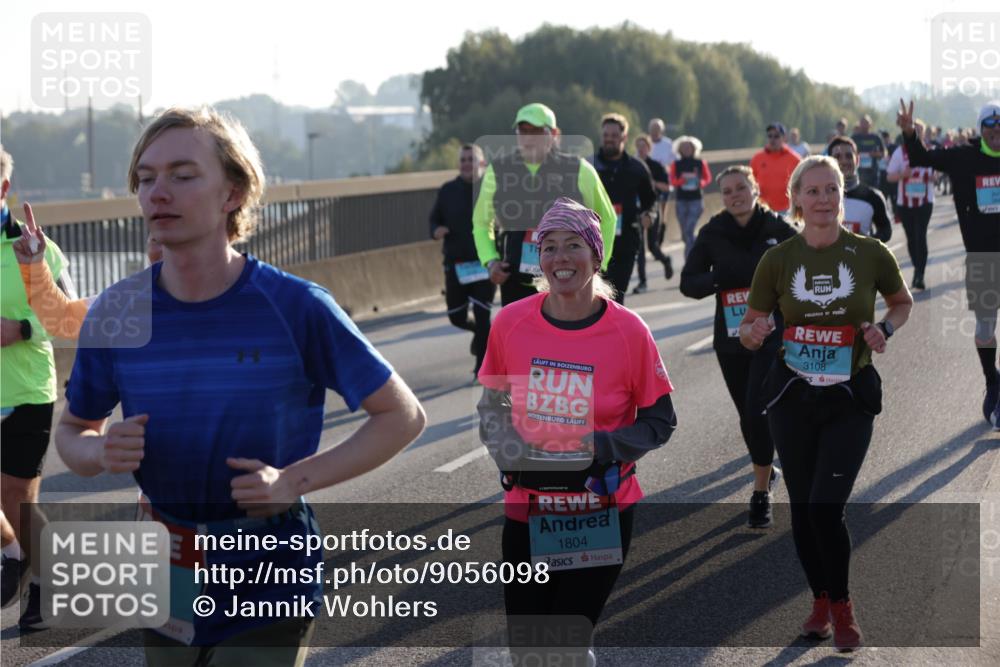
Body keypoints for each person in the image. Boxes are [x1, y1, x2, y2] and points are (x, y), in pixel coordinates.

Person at [53, 107, 426, 661]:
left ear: (233, 193)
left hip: (270, 571)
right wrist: (99, 450)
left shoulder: (295, 307)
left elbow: (402, 415)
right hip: (166, 566)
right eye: (146, 178)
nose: (158, 192)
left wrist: (293, 480)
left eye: (183, 175)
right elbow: (73, 433)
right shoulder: (117, 311)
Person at [477, 197, 676, 665]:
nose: (560, 258)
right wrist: (510, 453)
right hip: (529, 510)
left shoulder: (629, 331)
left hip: (599, 512)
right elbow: (492, 407)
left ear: (596, 254)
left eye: (573, 246)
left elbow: (659, 421)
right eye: (548, 247)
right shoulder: (510, 323)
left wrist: (598, 447)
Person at [740, 156, 912, 651]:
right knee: (802, 508)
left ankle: (842, 605)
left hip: (848, 398)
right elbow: (749, 331)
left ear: (842, 193)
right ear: (795, 198)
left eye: (831, 189)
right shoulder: (778, 260)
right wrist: (755, 332)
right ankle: (818, 602)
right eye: (812, 191)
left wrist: (885, 329)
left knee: (825, 508)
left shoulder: (870, 252)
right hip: (793, 398)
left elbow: (901, 302)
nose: (823, 199)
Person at [680, 166, 797, 527]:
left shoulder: (778, 229)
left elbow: (804, 272)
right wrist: (718, 278)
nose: (735, 195)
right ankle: (766, 466)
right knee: (748, 416)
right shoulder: (713, 233)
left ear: (755, 189)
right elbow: (689, 282)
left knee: (757, 409)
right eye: (728, 191)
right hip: (731, 340)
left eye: (741, 188)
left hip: (771, 336)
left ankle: (760, 492)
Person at [0, 146, 74, 625]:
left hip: (25, 391)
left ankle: (46, 585)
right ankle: (14, 554)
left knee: (16, 499)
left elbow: (66, 318)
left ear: (3, 187)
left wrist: (20, 329)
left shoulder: (35, 247)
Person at [897, 100, 1000, 427]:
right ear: (981, 130)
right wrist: (910, 132)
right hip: (983, 258)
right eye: (991, 129)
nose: (997, 135)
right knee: (986, 327)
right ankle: (991, 380)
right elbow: (923, 158)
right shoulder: (963, 157)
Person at [472, 103, 616, 306]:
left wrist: (598, 265)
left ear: (554, 134)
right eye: (523, 131)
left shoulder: (580, 169)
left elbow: (607, 219)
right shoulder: (497, 170)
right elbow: (481, 222)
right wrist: (490, 260)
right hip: (516, 278)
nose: (529, 137)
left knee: (568, 336)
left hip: (569, 277)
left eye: (537, 131)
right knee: (520, 338)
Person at [430, 143, 496, 374]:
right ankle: (480, 333)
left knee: (482, 312)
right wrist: (436, 230)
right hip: (456, 265)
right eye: (463, 160)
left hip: (484, 263)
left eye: (472, 159)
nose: (467, 164)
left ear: (482, 164)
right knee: (456, 316)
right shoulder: (447, 190)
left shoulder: (491, 190)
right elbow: (434, 219)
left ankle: (482, 366)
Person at [592, 113, 657, 303]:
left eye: (614, 135)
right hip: (594, 242)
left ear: (624, 137)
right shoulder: (589, 165)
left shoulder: (637, 168)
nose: (609, 139)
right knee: (593, 297)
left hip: (625, 243)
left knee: (615, 296)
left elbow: (651, 201)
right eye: (606, 135)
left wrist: (649, 215)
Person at [886, 118, 935, 290]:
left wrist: (932, 177)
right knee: (911, 238)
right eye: (915, 130)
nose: (918, 133)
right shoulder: (900, 152)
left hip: (925, 202)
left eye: (920, 130)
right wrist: (902, 175)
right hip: (904, 203)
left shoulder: (930, 151)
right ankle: (916, 268)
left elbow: (938, 174)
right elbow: (889, 176)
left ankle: (919, 275)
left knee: (921, 236)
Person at [827, 136, 892, 242]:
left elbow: (886, 230)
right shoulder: (819, 197)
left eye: (848, 156)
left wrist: (866, 243)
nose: (843, 161)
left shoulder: (873, 197)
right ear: (829, 162)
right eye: (837, 157)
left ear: (857, 160)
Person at [632, 134, 674, 294]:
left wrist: (651, 183)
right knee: (639, 248)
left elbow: (666, 187)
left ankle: (665, 260)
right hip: (636, 209)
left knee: (652, 246)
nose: (641, 149)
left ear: (649, 148)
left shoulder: (656, 166)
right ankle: (643, 282)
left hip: (652, 207)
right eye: (638, 146)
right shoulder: (632, 165)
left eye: (644, 146)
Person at [668, 135, 713, 258]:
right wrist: (681, 181)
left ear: (694, 148)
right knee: (685, 233)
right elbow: (672, 180)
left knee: (689, 229)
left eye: (689, 147)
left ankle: (689, 258)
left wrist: (700, 183)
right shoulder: (675, 164)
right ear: (679, 149)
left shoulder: (700, 163)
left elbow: (707, 178)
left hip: (696, 200)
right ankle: (697, 244)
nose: (687, 149)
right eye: (684, 147)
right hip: (681, 200)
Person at [750, 122, 802, 215]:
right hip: (763, 210)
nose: (772, 139)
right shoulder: (757, 159)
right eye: (770, 136)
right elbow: (750, 182)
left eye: (776, 136)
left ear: (784, 138)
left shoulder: (795, 159)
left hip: (787, 210)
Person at [647, 118, 677, 279]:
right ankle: (655, 244)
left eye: (657, 128)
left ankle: (659, 239)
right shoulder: (646, 144)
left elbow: (674, 162)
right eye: (652, 128)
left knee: (662, 214)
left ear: (662, 130)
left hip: (663, 182)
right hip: (649, 185)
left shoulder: (668, 144)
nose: (655, 131)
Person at [850, 114, 886, 188]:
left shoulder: (876, 137)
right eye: (862, 123)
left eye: (866, 123)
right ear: (859, 124)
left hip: (873, 174)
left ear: (870, 124)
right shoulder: (854, 138)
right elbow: (848, 153)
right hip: (858, 173)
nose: (864, 125)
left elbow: (884, 153)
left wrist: (876, 154)